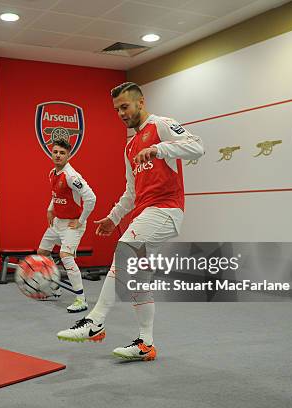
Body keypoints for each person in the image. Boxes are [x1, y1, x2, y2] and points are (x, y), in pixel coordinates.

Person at [56, 82, 204, 361]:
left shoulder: (161, 125)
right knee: (137, 281)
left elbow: (198, 147)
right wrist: (113, 218)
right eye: (117, 109)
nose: (121, 113)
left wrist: (160, 150)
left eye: (125, 106)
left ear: (140, 102)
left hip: (166, 210)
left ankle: (95, 322)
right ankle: (145, 344)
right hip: (146, 211)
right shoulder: (130, 146)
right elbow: (131, 192)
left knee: (124, 252)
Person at [38, 139, 96, 313]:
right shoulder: (52, 173)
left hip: (72, 225)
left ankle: (81, 299)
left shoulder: (72, 176)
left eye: (62, 153)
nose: (58, 155)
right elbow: (56, 194)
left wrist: (81, 220)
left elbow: (91, 198)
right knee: (42, 253)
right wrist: (50, 209)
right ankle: (55, 290)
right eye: (55, 152)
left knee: (65, 255)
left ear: (68, 155)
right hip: (57, 223)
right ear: (51, 153)